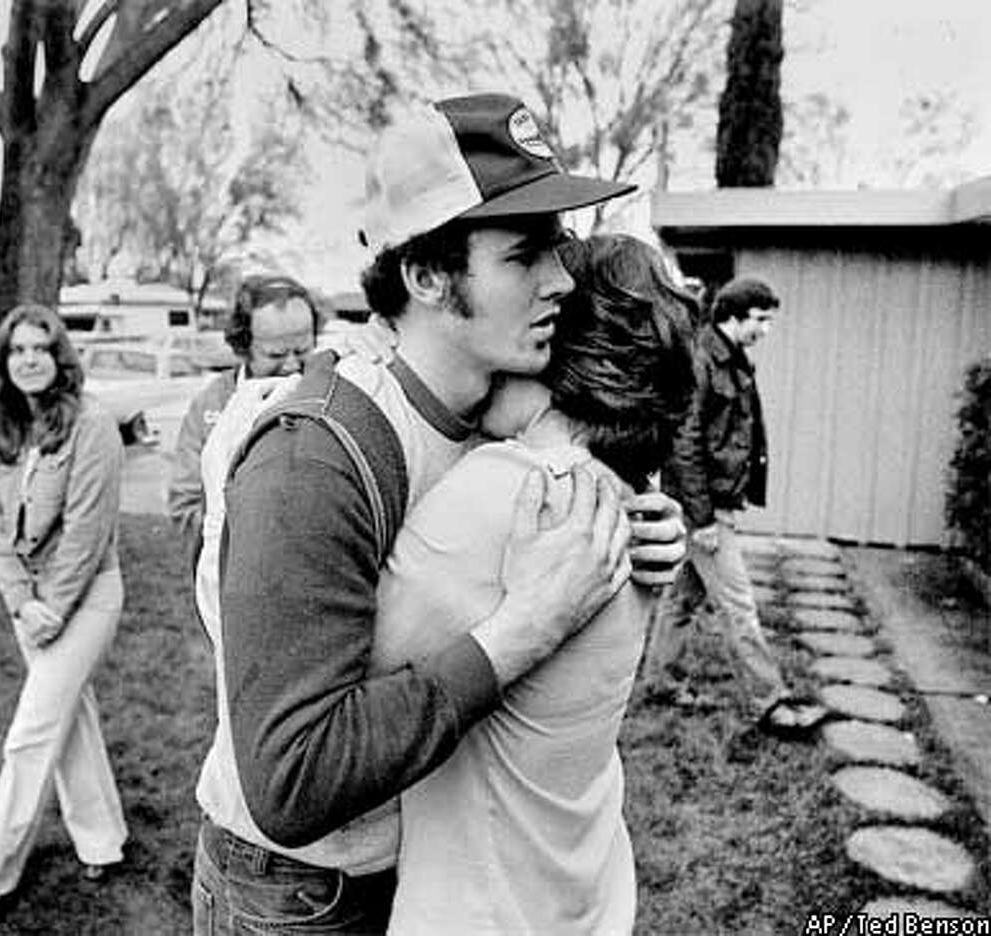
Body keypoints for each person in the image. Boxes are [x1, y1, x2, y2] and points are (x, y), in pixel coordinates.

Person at [190, 92, 688, 934]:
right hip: (302, 892)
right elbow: (292, 781)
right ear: (426, 276)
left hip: (418, 872)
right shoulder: (314, 458)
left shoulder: (499, 422)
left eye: (560, 247)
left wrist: (641, 523)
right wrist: (528, 626)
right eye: (526, 254)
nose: (564, 279)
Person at [372, 232, 698, 934]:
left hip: (481, 910)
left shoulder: (507, 490)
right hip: (581, 885)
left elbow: (338, 697)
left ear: (555, 344)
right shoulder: (623, 489)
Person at [0, 304, 128, 935]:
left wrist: (52, 606)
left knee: (29, 737)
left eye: (40, 349)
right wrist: (22, 601)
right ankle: (103, 841)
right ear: (4, 361)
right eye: (17, 349)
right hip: (32, 605)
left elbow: (86, 532)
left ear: (59, 359)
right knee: (69, 720)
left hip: (86, 600)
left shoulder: (92, 424)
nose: (28, 359)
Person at [642, 277, 827, 739]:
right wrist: (702, 519)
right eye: (761, 319)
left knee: (682, 599)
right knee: (739, 605)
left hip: (710, 503)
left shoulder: (730, 356)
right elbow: (683, 444)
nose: (766, 329)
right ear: (733, 315)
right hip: (700, 509)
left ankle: (659, 682)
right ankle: (772, 703)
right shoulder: (703, 359)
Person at [167, 275, 319, 567]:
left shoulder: (331, 394)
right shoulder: (210, 406)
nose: (290, 365)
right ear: (244, 345)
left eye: (302, 351)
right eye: (274, 354)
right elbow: (183, 505)